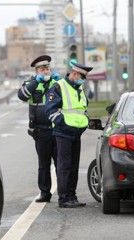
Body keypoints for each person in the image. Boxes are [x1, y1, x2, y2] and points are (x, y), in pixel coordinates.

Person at [45, 62, 93, 208]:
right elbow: (50, 111)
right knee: (64, 166)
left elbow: (83, 109)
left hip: (76, 132)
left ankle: (72, 196)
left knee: (73, 166)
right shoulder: (59, 87)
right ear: (75, 74)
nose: (83, 79)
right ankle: (64, 198)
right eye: (82, 76)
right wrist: (63, 124)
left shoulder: (79, 89)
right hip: (63, 132)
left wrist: (84, 123)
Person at [18, 55, 60, 203]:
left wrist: (59, 80)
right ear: (36, 71)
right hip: (41, 131)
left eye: (47, 68)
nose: (45, 71)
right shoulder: (32, 83)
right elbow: (22, 96)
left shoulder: (56, 82)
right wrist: (36, 81)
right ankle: (44, 192)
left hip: (57, 129)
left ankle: (63, 193)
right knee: (44, 164)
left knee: (60, 163)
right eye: (42, 69)